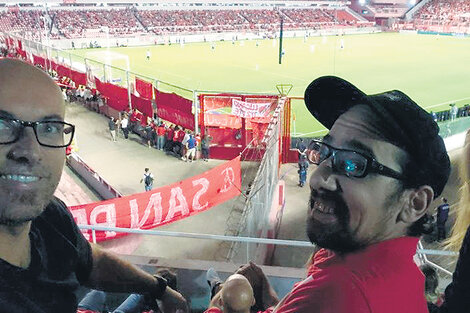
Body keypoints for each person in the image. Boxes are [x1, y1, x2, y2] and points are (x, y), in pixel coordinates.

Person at [215, 76, 451, 313]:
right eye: (325, 151)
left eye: (355, 164)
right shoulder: (403, 274)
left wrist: (220, 305)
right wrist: (277, 305)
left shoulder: (338, 294)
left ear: (415, 203)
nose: (317, 179)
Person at [0, 59, 187, 312]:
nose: (30, 151)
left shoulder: (51, 215)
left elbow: (89, 260)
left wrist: (158, 288)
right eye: (2, 124)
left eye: (49, 128)